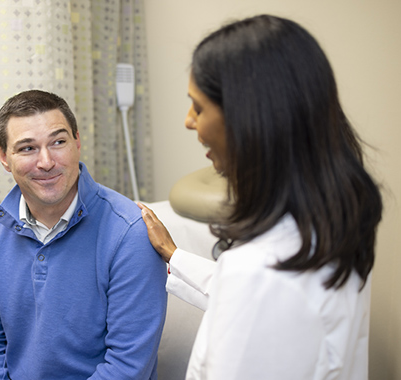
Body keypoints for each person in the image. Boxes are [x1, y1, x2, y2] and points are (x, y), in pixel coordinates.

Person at [138, 14, 383, 380]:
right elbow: (246, 299)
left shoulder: (259, 274)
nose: (189, 121)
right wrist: (176, 257)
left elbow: (252, 293)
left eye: (199, 107)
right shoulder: (333, 220)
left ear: (248, 120)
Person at [0, 90, 168, 380]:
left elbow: (127, 365)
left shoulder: (129, 233)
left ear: (77, 142)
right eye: (27, 148)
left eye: (58, 142)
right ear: (4, 157)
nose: (46, 162)